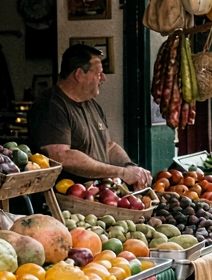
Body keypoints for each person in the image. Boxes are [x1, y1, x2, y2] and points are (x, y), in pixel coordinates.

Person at [30, 43, 150, 189]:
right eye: (99, 73)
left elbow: (109, 147)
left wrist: (130, 167)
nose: (103, 78)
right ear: (79, 74)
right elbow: (61, 156)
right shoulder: (51, 106)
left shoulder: (92, 104)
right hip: (66, 199)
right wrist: (121, 172)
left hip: (96, 196)